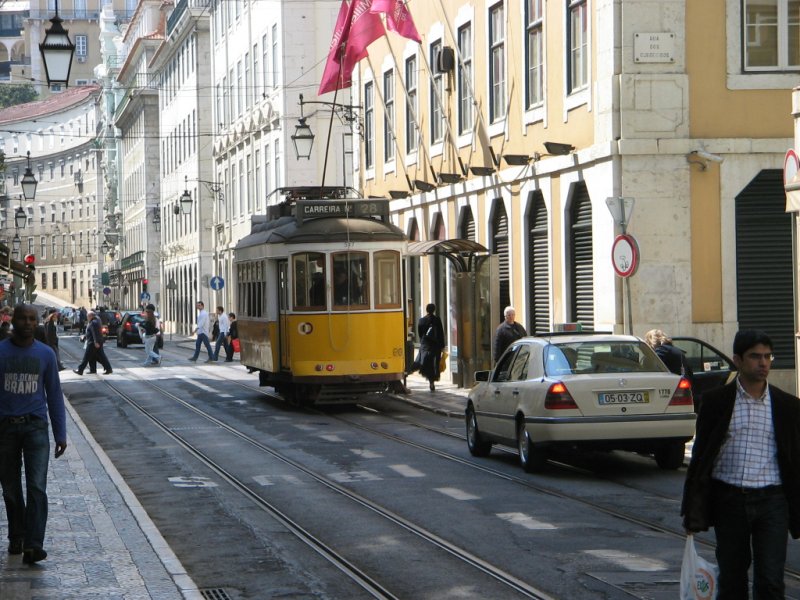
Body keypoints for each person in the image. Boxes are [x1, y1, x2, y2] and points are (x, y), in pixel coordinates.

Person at [681, 330, 800, 599]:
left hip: (773, 500)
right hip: (730, 499)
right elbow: (700, 458)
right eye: (755, 357)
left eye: (768, 356)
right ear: (738, 360)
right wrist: (691, 509)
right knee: (732, 578)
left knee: (771, 580)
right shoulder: (716, 402)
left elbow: (795, 460)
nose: (763, 363)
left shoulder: (788, 406)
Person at [0, 304, 67, 564]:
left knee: (37, 487)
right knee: (10, 488)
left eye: (32, 319)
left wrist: (60, 432)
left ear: (36, 322)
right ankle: (16, 535)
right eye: (22, 318)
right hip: (5, 428)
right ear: (13, 321)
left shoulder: (46, 354)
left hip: (36, 427)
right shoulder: (1, 352)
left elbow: (54, 395)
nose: (27, 323)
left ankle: (33, 544)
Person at [416, 303, 445, 392]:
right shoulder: (437, 320)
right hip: (435, 346)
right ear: (434, 310)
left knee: (427, 364)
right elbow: (441, 333)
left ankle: (430, 381)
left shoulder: (421, 320)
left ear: (426, 310)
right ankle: (432, 381)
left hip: (425, 346)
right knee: (434, 364)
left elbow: (420, 335)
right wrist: (442, 345)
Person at [73, 310, 112, 375]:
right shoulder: (95, 321)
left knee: (86, 357)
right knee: (97, 357)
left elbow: (95, 333)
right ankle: (99, 369)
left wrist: (95, 342)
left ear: (90, 316)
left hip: (93, 343)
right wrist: (85, 336)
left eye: (87, 316)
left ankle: (80, 370)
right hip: (95, 342)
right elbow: (91, 332)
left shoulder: (93, 322)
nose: (87, 318)